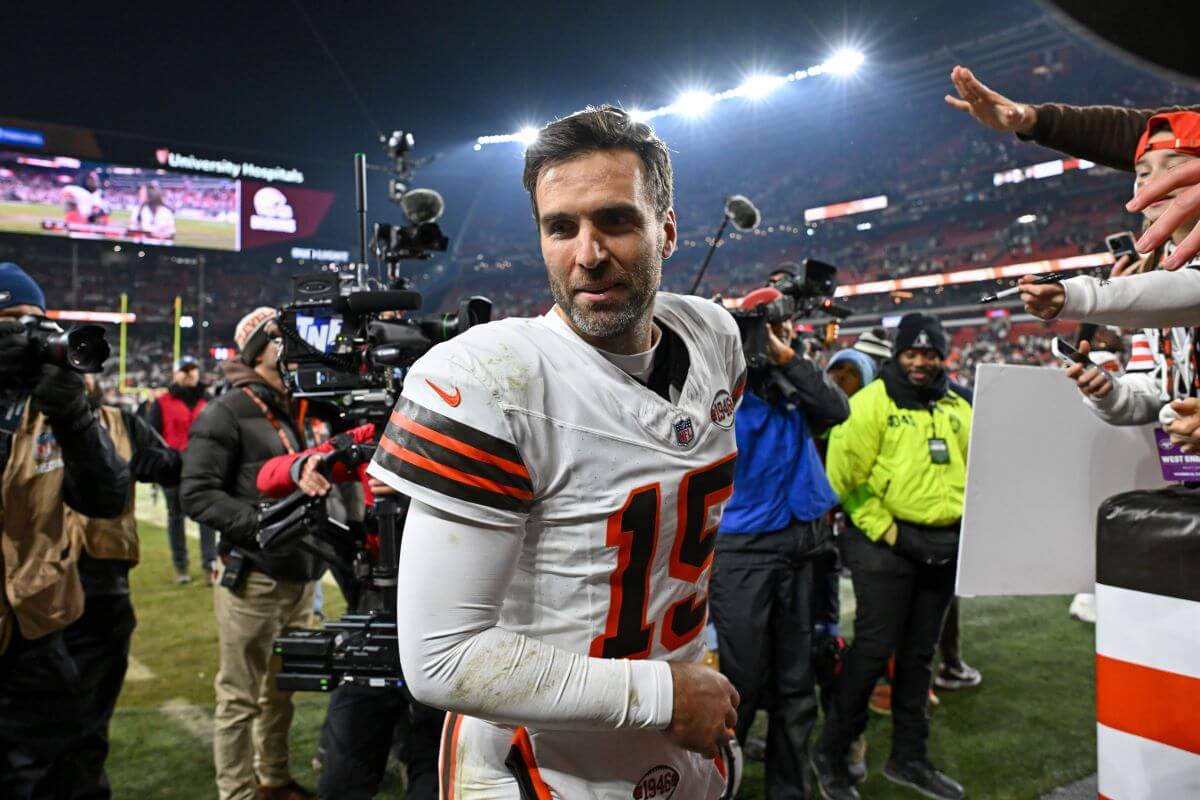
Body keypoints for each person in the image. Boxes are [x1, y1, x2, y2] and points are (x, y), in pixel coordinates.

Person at [368, 106, 745, 798]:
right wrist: (663, 692)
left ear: (666, 228)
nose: (588, 253)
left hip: (683, 732)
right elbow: (440, 659)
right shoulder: (493, 379)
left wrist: (683, 677)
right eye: (561, 227)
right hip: (543, 762)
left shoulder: (716, 340)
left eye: (616, 221)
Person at [813, 313, 971, 800]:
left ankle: (909, 757)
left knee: (920, 657)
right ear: (899, 354)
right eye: (911, 353)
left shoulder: (959, 405)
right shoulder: (868, 405)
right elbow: (843, 481)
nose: (921, 362)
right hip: (882, 545)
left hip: (944, 545)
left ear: (942, 354)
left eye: (929, 353)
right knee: (873, 652)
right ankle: (832, 754)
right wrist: (893, 533)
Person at [709, 286, 849, 799]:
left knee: (797, 688)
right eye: (766, 328)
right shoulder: (723, 380)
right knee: (739, 685)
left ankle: (789, 791)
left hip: (802, 544)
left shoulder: (796, 377)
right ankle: (717, 784)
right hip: (745, 549)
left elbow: (837, 409)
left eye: (783, 327)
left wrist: (788, 358)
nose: (777, 337)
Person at [255, 424, 443, 800]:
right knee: (343, 773)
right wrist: (305, 467)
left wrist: (426, 483)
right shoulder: (370, 431)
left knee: (435, 763)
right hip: (378, 602)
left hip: (447, 602)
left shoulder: (463, 423)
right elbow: (268, 475)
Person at [0, 261, 131, 799]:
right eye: (10, 326)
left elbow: (105, 498)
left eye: (35, 324)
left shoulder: (50, 406)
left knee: (67, 776)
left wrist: (74, 415)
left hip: (38, 631)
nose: (25, 340)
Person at [181, 307, 322, 800]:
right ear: (258, 350)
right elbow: (196, 493)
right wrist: (261, 524)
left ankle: (273, 779)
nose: (294, 347)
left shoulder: (299, 404)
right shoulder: (226, 410)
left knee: (280, 694)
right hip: (254, 576)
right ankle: (237, 793)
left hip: (300, 573)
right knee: (239, 696)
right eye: (282, 339)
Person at [1018, 113, 1200, 437]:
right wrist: (1109, 393)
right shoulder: (1157, 268)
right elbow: (1154, 386)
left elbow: (1188, 291)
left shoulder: (1163, 282)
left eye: (1173, 166)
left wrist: (1080, 293)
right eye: (1142, 172)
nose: (1152, 180)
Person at [63, 373, 181, 800]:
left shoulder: (120, 421)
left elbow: (168, 464)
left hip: (103, 582)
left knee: (92, 722)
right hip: (29, 590)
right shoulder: (17, 420)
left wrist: (148, 464)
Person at [148, 354, 215, 584]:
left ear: (198, 372)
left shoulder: (209, 400)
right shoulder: (161, 402)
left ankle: (210, 566)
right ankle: (181, 567)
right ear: (175, 374)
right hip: (173, 470)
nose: (188, 373)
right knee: (176, 518)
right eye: (184, 370)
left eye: (192, 369)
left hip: (203, 469)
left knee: (207, 519)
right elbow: (153, 437)